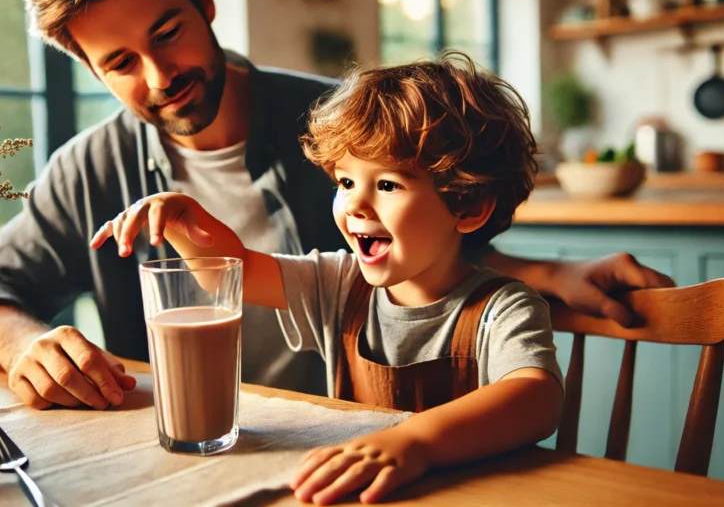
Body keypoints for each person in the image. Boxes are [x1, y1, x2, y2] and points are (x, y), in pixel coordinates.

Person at [0, 0, 672, 411]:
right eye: (122, 63)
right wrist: (23, 344)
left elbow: (433, 248)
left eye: (168, 32)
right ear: (91, 69)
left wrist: (550, 275)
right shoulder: (89, 169)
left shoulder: (342, 127)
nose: (160, 76)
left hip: (337, 441)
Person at [91, 52, 563, 505]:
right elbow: (235, 271)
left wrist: (415, 442)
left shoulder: (504, 308)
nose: (355, 205)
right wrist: (182, 216)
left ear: (467, 206)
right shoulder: (338, 284)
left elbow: (536, 397)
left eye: (387, 185)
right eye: (345, 182)